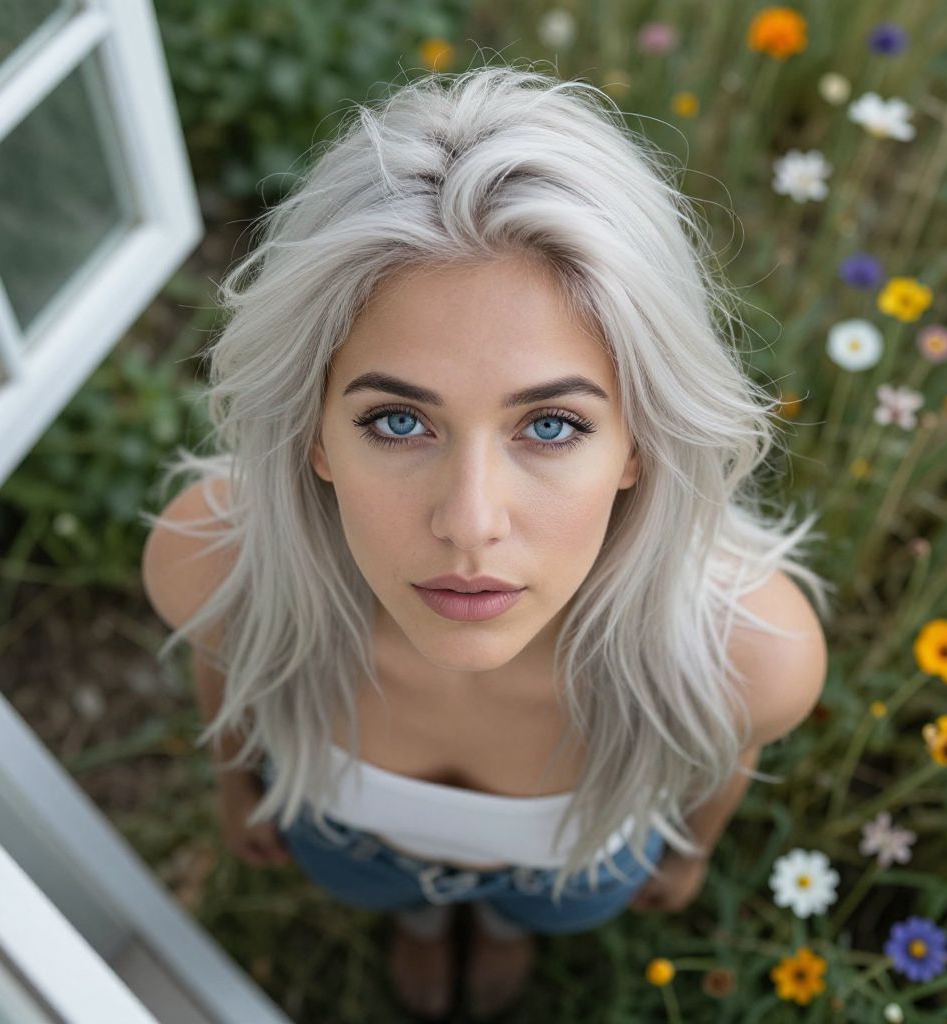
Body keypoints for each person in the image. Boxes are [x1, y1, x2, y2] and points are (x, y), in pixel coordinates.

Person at [140, 63, 834, 1021]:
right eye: (395, 421)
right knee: (391, 895)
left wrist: (692, 846)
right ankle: (421, 923)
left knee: (541, 911)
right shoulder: (212, 565)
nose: (469, 523)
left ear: (641, 443)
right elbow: (224, 667)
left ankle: (506, 923)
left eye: (550, 425)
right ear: (312, 434)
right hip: (352, 850)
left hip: (573, 870)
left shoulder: (752, 656)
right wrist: (233, 786)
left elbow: (733, 754)